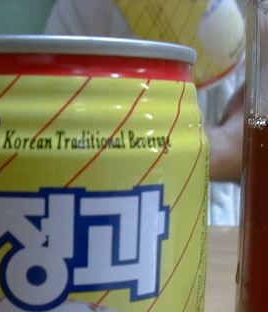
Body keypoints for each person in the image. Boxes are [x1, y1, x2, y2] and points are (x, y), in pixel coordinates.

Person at [44, 0, 245, 225]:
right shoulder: (87, 9)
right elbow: (48, 149)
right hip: (126, 230)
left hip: (247, 233)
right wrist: (222, 147)